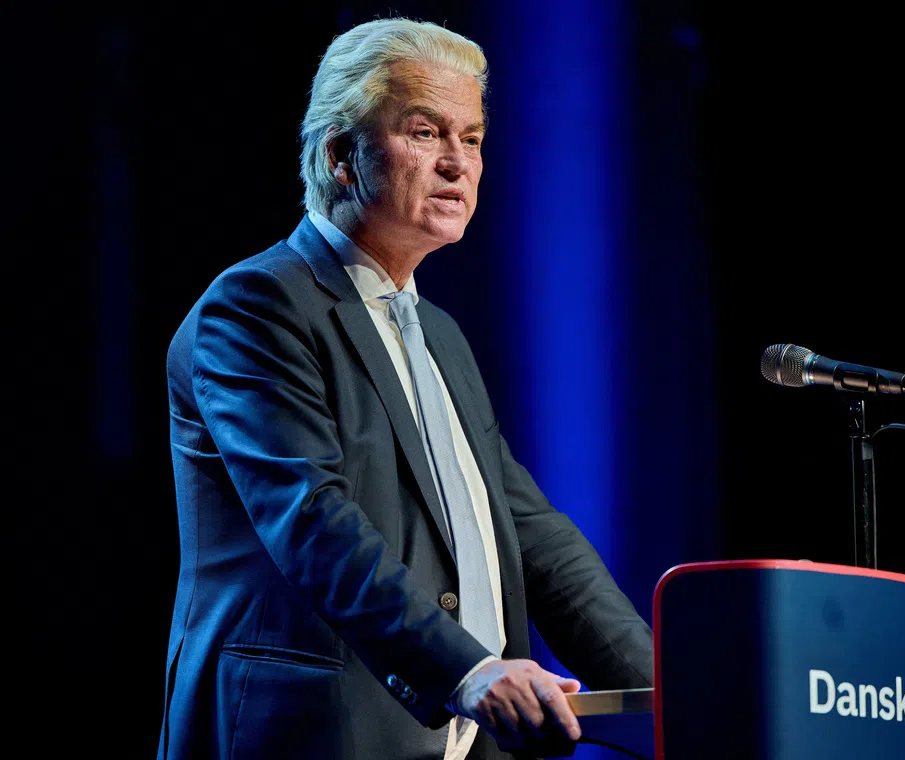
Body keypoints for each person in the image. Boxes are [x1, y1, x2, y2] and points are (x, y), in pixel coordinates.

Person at [156, 16, 653, 760]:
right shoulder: (257, 308)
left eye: (473, 138)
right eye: (426, 132)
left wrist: (672, 695)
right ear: (342, 156)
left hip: (463, 742)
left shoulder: (440, 333)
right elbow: (312, 520)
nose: (458, 162)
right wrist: (468, 670)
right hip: (311, 733)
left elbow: (529, 533)